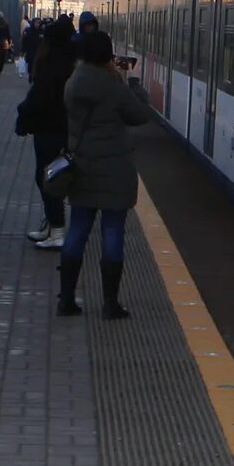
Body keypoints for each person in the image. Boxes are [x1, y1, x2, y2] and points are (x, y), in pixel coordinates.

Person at [55, 28, 153, 320]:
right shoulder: (113, 86)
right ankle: (110, 303)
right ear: (108, 55)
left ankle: (67, 299)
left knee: (77, 232)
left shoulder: (73, 82)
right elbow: (139, 115)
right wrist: (133, 84)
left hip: (82, 166)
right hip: (114, 171)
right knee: (112, 233)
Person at [21, 16, 77, 251]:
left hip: (49, 129)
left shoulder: (50, 63)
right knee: (52, 176)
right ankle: (52, 226)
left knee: (48, 178)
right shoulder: (72, 63)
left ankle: (57, 230)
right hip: (61, 129)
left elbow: (41, 98)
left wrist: (25, 117)